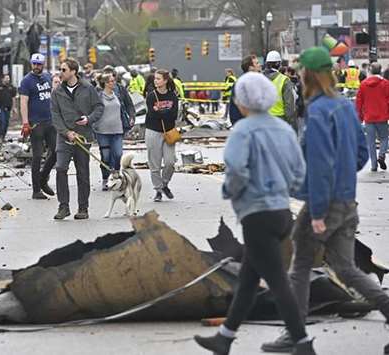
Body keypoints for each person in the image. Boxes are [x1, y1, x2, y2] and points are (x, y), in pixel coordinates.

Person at [262, 47, 389, 355]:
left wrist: (317, 211)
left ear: (309, 75)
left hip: (325, 203)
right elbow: (361, 152)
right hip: (347, 199)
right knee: (346, 268)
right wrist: (344, 178)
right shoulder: (343, 106)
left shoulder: (318, 111)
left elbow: (318, 166)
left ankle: (295, 333)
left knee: (301, 264)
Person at [194, 72, 314, 355]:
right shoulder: (284, 130)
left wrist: (231, 191)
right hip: (282, 212)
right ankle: (224, 337)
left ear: (243, 101)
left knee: (277, 281)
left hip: (256, 213)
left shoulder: (243, 131)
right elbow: (299, 172)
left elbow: (235, 169)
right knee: (248, 278)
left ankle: (302, 343)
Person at [51, 58, 104, 220]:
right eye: (61, 70)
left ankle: (83, 208)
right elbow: (55, 115)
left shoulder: (88, 88)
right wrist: (67, 132)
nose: (61, 73)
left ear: (73, 72)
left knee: (82, 172)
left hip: (83, 136)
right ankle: (63, 206)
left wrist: (89, 119)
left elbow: (99, 107)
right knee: (60, 168)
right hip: (64, 137)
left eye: (64, 70)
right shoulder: (57, 92)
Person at [19, 53, 57, 199]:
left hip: (50, 120)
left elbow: (53, 96)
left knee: (55, 151)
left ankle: (43, 178)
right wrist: (25, 122)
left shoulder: (47, 77)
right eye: (34, 64)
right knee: (37, 156)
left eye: (39, 64)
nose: (36, 66)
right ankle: (36, 190)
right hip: (35, 124)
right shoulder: (26, 81)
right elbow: (23, 102)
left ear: (43, 64)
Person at [145, 69, 178, 202]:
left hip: (169, 132)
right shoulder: (151, 96)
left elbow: (174, 115)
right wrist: (164, 113)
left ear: (165, 80)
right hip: (153, 131)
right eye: (155, 78)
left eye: (158, 79)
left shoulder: (172, 96)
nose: (155, 81)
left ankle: (164, 183)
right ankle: (158, 190)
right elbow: (152, 115)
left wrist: (160, 112)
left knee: (170, 162)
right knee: (155, 164)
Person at [356, 62, 389, 171]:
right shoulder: (386, 84)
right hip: (382, 117)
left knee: (371, 142)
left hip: (369, 117)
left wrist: (360, 117)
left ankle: (374, 165)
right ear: (380, 71)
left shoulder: (363, 84)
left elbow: (359, 102)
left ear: (370, 71)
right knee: (384, 138)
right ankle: (382, 154)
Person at [95, 73, 125, 191]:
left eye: (114, 81)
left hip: (117, 129)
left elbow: (123, 109)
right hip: (103, 131)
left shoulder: (117, 94)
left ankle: (116, 176)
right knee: (106, 157)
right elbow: (94, 111)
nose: (114, 83)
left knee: (118, 154)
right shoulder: (99, 96)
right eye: (111, 81)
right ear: (106, 83)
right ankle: (105, 178)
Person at [264, 51, 297, 129]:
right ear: (278, 64)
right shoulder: (284, 80)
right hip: (280, 119)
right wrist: (290, 121)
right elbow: (289, 104)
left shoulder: (259, 78)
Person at [229, 55, 261, 126]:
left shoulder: (257, 81)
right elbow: (236, 107)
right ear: (250, 68)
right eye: (257, 63)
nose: (260, 65)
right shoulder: (241, 84)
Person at [0, 74, 17, 142]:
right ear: (3, 79)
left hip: (8, 107)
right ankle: (0, 136)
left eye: (8, 78)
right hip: (1, 107)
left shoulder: (11, 87)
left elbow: (13, 98)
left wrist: (14, 107)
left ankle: (3, 136)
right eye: (6, 78)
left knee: (6, 123)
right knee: (2, 121)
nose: (8, 79)